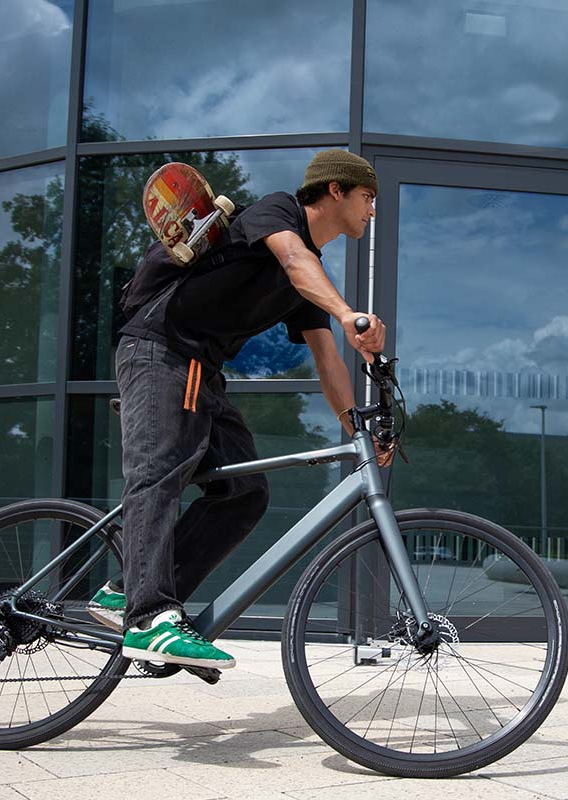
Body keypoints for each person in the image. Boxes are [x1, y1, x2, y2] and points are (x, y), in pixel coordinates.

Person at [87, 150, 387, 670]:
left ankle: (124, 591)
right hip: (160, 350)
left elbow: (327, 362)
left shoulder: (308, 280)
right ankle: (150, 616)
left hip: (203, 370)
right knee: (158, 473)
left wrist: (355, 425)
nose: (372, 211)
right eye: (368, 198)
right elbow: (293, 259)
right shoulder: (277, 213)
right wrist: (348, 313)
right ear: (335, 190)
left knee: (245, 494)